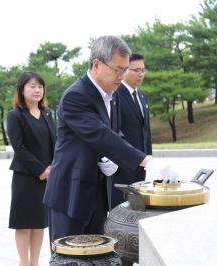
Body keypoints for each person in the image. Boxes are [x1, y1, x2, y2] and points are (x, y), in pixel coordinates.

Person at [43, 35, 170, 243]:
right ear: (96, 65)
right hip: (70, 195)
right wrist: (145, 160)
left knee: (98, 256)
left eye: (125, 69)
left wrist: (106, 158)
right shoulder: (76, 95)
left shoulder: (111, 95)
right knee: (68, 257)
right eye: (118, 69)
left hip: (98, 194)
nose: (122, 76)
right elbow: (99, 133)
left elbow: (115, 132)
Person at [7, 71, 55, 266]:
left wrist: (53, 167)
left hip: (48, 176)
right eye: (32, 86)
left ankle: (35, 262)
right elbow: (19, 147)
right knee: (24, 224)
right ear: (22, 89)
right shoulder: (16, 115)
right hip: (26, 177)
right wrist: (40, 170)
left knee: (39, 224)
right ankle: (24, 262)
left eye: (40, 86)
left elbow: (56, 142)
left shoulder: (47, 113)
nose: (37, 90)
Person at [111, 53, 152, 208]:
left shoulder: (141, 95)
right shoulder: (116, 94)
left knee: (138, 207)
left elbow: (145, 130)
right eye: (136, 70)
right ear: (125, 70)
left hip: (142, 164)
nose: (141, 74)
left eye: (143, 70)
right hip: (123, 165)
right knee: (121, 208)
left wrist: (148, 156)